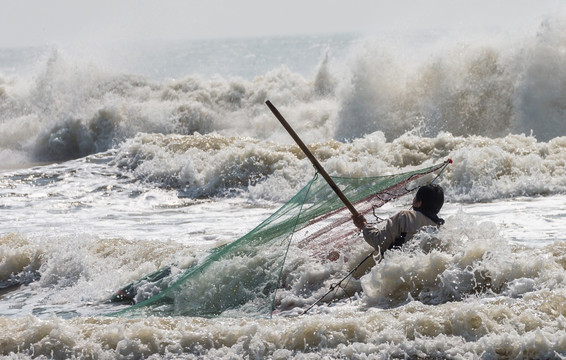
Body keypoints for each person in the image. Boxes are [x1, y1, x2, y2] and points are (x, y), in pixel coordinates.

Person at [353, 184, 445, 256]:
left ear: (419, 203)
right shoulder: (438, 228)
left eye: (415, 197)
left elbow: (380, 242)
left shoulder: (405, 216)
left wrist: (363, 225)